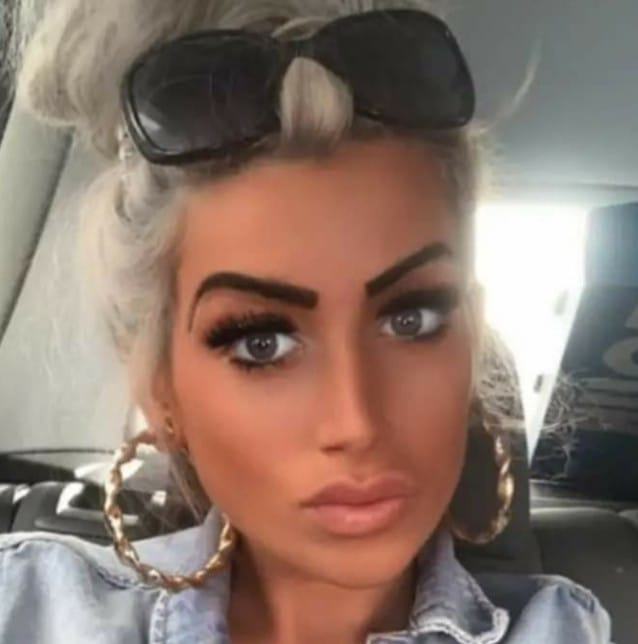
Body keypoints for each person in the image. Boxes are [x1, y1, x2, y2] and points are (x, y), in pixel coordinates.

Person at [0, 1, 612, 643]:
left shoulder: (562, 630)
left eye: (412, 319)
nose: (356, 422)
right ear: (161, 388)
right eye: (262, 344)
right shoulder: (30, 608)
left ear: (473, 338)